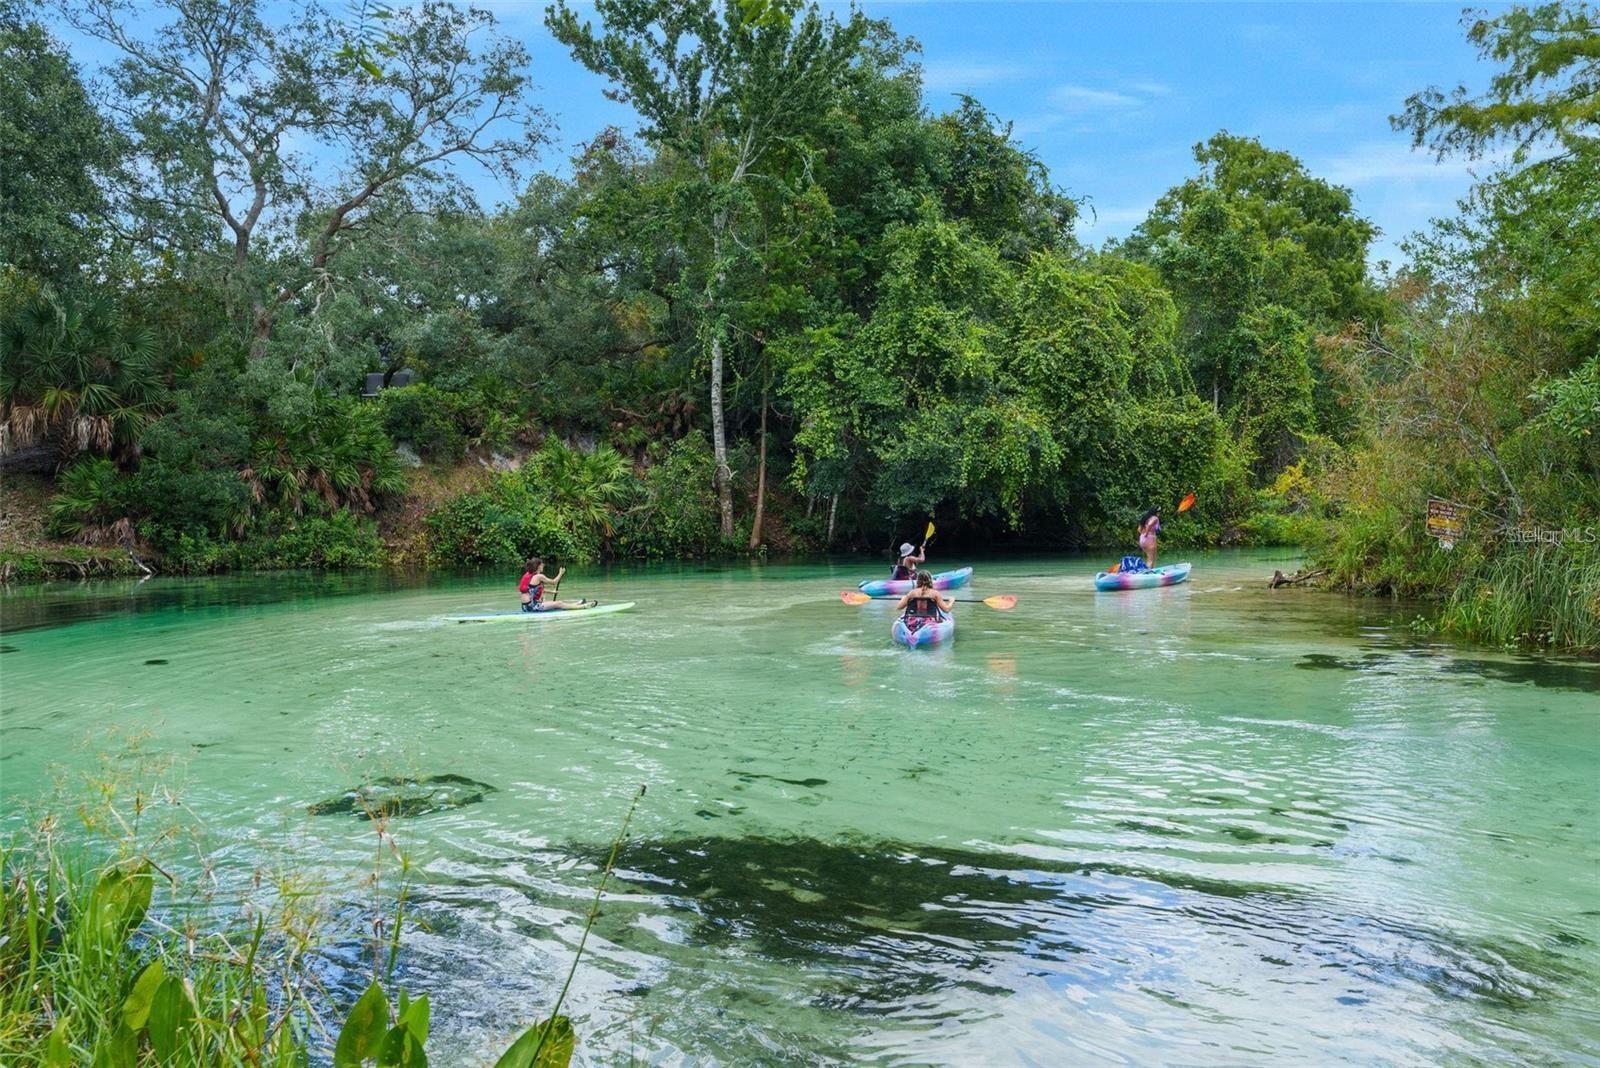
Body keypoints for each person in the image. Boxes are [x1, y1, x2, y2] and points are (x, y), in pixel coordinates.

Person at [518, 557, 594, 612]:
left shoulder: (528, 575)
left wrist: (552, 592)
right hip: (533, 607)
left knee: (556, 604)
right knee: (559, 603)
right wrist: (560, 573)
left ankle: (575, 604)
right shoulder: (539, 576)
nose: (543, 566)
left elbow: (535, 590)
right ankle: (582, 607)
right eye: (542, 565)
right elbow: (554, 582)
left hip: (525, 607)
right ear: (539, 566)